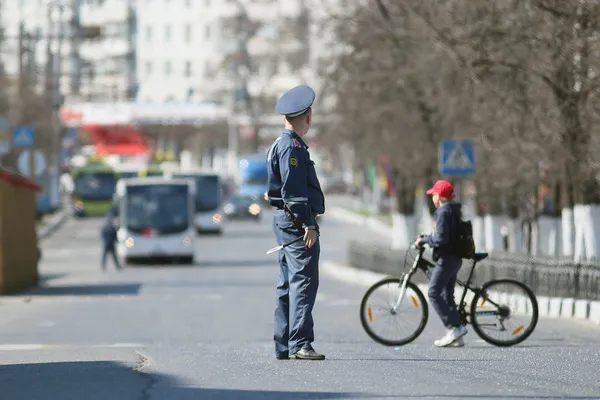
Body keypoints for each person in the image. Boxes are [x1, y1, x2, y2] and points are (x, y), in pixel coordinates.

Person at [266, 85, 326, 361]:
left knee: (287, 283)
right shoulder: (292, 148)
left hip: (285, 222)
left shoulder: (280, 144)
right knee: (302, 282)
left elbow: (276, 191)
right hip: (296, 224)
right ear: (308, 117)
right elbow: (293, 194)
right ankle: (300, 342)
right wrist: (308, 225)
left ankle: (284, 343)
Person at [415, 179, 467, 347]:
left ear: (440, 196)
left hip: (447, 258)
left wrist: (424, 240)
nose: (432, 197)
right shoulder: (453, 210)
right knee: (446, 295)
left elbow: (441, 238)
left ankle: (453, 328)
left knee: (433, 293)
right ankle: (457, 333)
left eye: (434, 194)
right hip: (454, 257)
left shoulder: (443, 212)